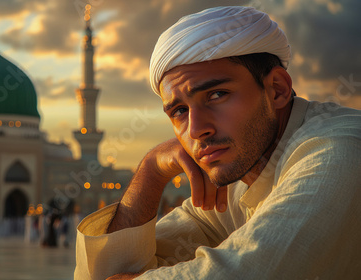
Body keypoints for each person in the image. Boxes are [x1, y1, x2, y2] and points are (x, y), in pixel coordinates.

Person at [74, 6, 361, 280]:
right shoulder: (235, 186)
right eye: (180, 111)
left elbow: (249, 272)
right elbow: (101, 272)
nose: (197, 130)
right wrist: (151, 171)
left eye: (216, 95)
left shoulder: (338, 150)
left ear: (277, 90)